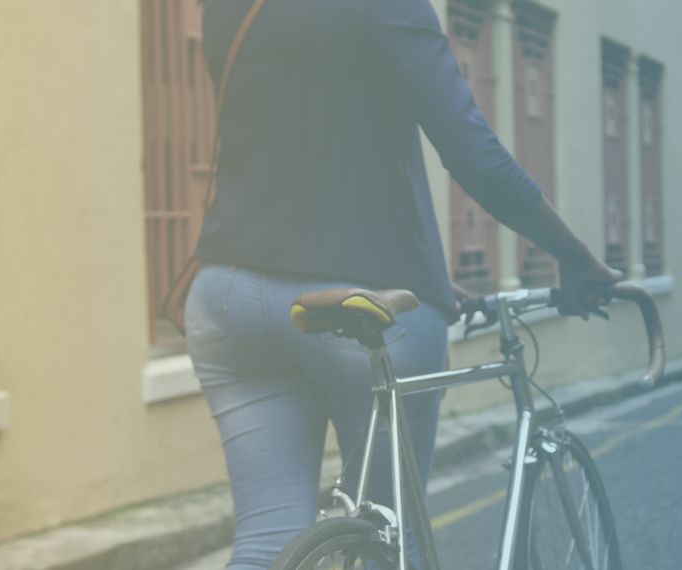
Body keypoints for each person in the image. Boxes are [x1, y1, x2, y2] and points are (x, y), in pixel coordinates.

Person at [187, 0, 621, 568]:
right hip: (362, 303)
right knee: (395, 540)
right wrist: (576, 257)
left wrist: (428, 276)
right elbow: (474, 157)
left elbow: (304, 138)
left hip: (227, 298)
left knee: (266, 542)